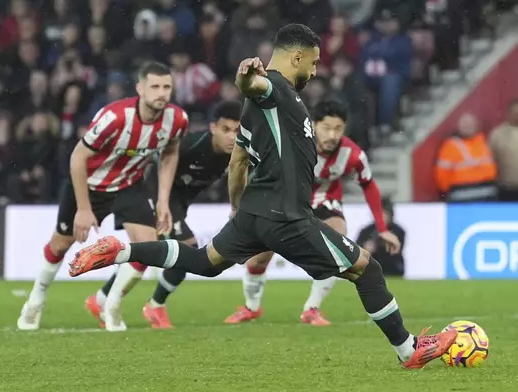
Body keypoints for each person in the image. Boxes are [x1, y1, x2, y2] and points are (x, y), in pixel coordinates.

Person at [68, 23, 456, 369]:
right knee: (366, 268)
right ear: (298, 57)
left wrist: (238, 207)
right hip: (287, 214)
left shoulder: (255, 112)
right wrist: (245, 78)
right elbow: (256, 85)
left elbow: (237, 163)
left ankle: (120, 250)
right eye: (314, 63)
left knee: (205, 261)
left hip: (254, 212)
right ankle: (409, 350)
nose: (316, 70)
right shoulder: (276, 92)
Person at [17, 61, 188, 330]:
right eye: (155, 86)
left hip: (128, 186)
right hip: (89, 185)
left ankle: (111, 305)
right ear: (140, 88)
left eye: (167, 87)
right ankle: (35, 301)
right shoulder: (115, 117)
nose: (161, 93)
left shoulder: (177, 119)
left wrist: (163, 200)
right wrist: (84, 209)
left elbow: (170, 153)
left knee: (148, 249)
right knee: (60, 246)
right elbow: (78, 157)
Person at [223, 99, 393, 326]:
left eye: (338, 129)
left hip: (325, 202)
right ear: (313, 125)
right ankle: (251, 307)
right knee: (257, 260)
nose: (332, 135)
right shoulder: (293, 141)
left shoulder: (352, 155)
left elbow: (369, 185)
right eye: (327, 128)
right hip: (285, 202)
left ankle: (312, 309)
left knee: (338, 243)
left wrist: (382, 228)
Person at [85, 100, 242, 330]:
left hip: (178, 203)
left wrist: (236, 206)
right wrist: (160, 203)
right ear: (212, 128)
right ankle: (154, 305)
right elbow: (156, 163)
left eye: (237, 131)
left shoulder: (239, 153)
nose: (231, 137)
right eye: (226, 130)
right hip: (154, 193)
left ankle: (99, 299)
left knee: (148, 252)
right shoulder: (192, 144)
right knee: (185, 247)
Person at [356, 197, 406, 276]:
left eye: (384, 214)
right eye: (378, 214)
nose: (382, 217)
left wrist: (379, 245)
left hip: (392, 269)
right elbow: (356, 249)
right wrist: (365, 249)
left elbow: (397, 250)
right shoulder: (366, 231)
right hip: (371, 270)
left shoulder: (398, 231)